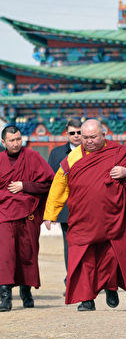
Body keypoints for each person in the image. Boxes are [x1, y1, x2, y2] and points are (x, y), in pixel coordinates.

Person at [44, 119, 126, 311]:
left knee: (111, 256)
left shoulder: (118, 152)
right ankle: (86, 299)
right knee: (82, 258)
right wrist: (51, 213)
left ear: (103, 135)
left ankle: (111, 287)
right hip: (83, 219)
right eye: (85, 137)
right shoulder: (73, 158)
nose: (88, 141)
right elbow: (59, 185)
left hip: (112, 217)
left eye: (93, 137)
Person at [0, 126, 55, 312]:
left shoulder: (33, 158)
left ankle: (26, 291)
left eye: (18, 139)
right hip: (4, 214)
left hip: (28, 213)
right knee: (5, 255)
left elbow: (49, 183)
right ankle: (5, 296)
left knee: (27, 254)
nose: (16, 143)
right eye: (11, 140)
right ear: (3, 143)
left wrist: (25, 185)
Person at [47, 119, 83, 290]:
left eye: (79, 132)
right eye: (72, 133)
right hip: (67, 209)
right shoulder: (56, 153)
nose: (76, 136)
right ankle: (71, 281)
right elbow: (51, 183)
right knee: (69, 246)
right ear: (66, 134)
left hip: (89, 208)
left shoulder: (94, 150)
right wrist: (51, 212)